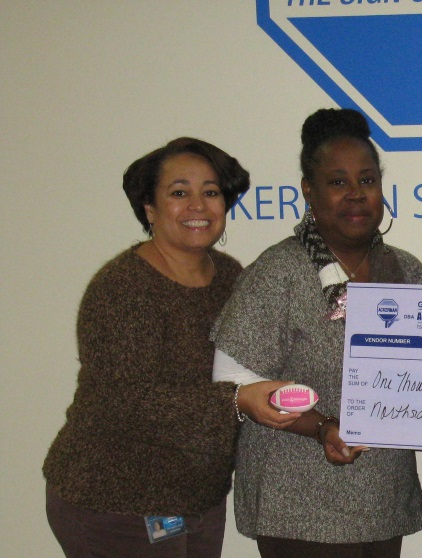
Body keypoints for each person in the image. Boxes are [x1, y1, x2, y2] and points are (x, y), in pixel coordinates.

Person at [43, 137, 297, 558]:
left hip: (198, 496)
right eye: (179, 193)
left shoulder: (231, 277)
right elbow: (126, 401)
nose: (198, 206)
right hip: (114, 500)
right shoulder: (123, 288)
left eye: (210, 192)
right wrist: (237, 401)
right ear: (150, 208)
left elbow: (255, 363)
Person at [210, 108, 422, 557]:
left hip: (382, 501)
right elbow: (232, 383)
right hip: (298, 509)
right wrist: (322, 426)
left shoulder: (405, 271)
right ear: (308, 190)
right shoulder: (280, 272)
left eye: (367, 180)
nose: (356, 194)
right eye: (338, 181)